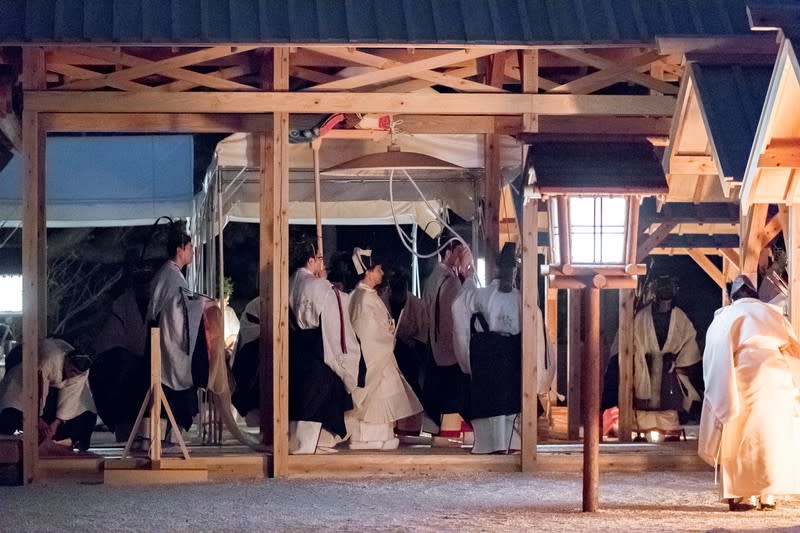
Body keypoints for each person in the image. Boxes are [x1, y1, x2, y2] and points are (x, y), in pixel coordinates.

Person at [699, 275, 800, 512]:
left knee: (742, 434)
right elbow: (794, 349)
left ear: (733, 297)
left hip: (745, 376)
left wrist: (719, 385)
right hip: (777, 377)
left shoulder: (726, 315)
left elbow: (716, 352)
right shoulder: (774, 314)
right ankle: (768, 494)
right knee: (772, 435)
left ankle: (745, 495)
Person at [452, 242, 554, 454]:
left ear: (496, 269)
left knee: (493, 409)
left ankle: (490, 446)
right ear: (514, 271)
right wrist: (540, 374)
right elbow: (538, 337)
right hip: (511, 361)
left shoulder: (481, 295)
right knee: (510, 410)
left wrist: (469, 279)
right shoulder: (523, 301)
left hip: (486, 360)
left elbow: (458, 305)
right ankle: (511, 446)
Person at [603, 275, 701, 441]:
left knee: (669, 402)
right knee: (643, 404)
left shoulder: (680, 318)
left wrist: (679, 363)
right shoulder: (641, 316)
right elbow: (627, 341)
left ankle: (669, 429)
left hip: (669, 369)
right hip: (645, 365)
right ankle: (640, 430)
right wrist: (634, 360)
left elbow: (688, 342)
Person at [288, 238, 361, 453]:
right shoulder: (319, 285)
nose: (322, 262)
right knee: (318, 394)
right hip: (317, 347)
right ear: (311, 260)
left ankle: (300, 443)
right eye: (319, 258)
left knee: (301, 395)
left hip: (297, 344)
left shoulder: (292, 281)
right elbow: (333, 316)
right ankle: (310, 444)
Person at [347, 248, 423, 450]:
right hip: (374, 359)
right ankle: (368, 438)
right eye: (378, 269)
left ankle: (379, 436)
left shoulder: (363, 296)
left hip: (380, 357)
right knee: (376, 398)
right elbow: (367, 334)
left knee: (383, 397)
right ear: (368, 272)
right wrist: (388, 336)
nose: (381, 273)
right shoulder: (362, 298)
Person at [146, 227, 198, 440]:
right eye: (190, 249)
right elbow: (177, 312)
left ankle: (168, 435)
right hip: (169, 339)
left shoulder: (169, 274)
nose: (192, 253)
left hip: (165, 336)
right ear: (180, 249)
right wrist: (200, 305)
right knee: (175, 385)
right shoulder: (172, 277)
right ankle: (169, 435)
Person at [0, 339, 97, 451]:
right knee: (13, 413)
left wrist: (55, 424)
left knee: (85, 411)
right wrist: (38, 418)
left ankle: (66, 441)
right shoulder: (49, 359)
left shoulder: (82, 373)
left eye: (77, 373)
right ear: (67, 361)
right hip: (24, 378)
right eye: (72, 370)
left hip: (53, 394)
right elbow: (38, 389)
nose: (73, 375)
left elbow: (71, 397)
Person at [422, 239, 473, 445]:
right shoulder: (450, 281)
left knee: (442, 392)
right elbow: (459, 312)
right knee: (454, 393)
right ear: (448, 251)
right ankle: (449, 432)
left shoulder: (432, 278)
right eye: (459, 252)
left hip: (434, 345)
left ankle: (444, 430)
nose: (461, 257)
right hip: (450, 346)